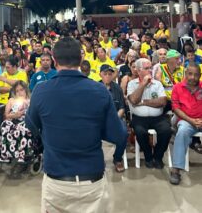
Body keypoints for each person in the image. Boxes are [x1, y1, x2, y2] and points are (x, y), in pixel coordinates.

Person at [25, 37, 127, 213]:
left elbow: (31, 125)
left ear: (55, 61)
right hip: (91, 181)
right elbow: (119, 135)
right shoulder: (100, 91)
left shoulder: (41, 91)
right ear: (81, 59)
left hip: (56, 181)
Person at [127, 58, 171, 169]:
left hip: (158, 117)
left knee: (166, 131)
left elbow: (162, 102)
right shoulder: (132, 84)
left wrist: (144, 102)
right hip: (139, 118)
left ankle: (158, 157)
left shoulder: (157, 84)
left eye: (150, 67)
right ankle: (148, 156)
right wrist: (143, 84)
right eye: (147, 68)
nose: (150, 70)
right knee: (140, 132)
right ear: (138, 70)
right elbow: (133, 100)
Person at [169, 63, 202, 185]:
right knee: (182, 131)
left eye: (196, 75)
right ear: (185, 74)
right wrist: (191, 120)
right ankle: (176, 170)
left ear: (200, 75)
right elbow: (176, 108)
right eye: (190, 74)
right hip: (186, 120)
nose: (193, 77)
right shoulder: (177, 87)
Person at [99, 64, 127, 173]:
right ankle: (98, 159)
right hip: (99, 120)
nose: (107, 76)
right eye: (105, 74)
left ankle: (117, 158)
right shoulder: (95, 87)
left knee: (123, 133)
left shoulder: (117, 88)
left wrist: (113, 119)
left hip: (115, 119)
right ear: (100, 75)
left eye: (110, 74)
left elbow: (121, 108)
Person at [0, 81, 33, 171]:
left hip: (26, 121)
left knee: (23, 127)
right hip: (13, 120)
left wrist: (26, 105)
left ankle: (22, 155)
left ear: (26, 90)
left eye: (21, 90)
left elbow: (34, 114)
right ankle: (5, 155)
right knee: (5, 124)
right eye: (17, 91)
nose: (19, 92)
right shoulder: (11, 101)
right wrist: (15, 115)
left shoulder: (31, 100)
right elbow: (6, 115)